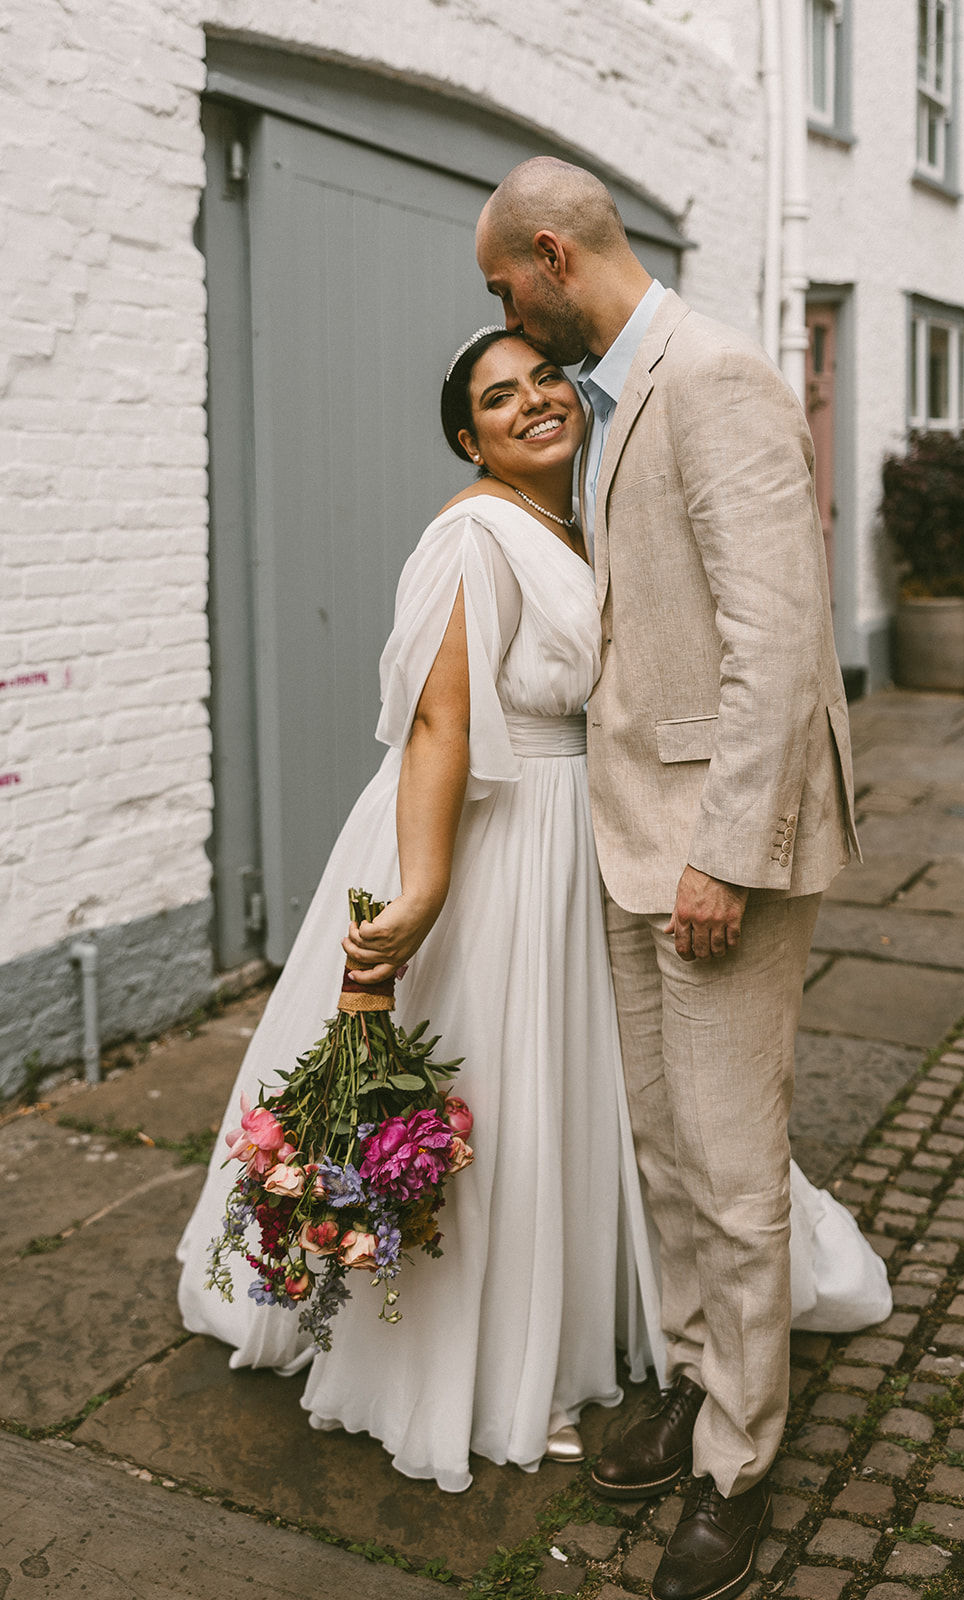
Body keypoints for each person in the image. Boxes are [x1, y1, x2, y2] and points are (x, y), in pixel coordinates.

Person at [177, 328, 887, 1499]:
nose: (531, 403)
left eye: (543, 378)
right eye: (496, 398)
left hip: (595, 836)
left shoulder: (583, 517)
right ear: (468, 437)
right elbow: (440, 727)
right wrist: (423, 891)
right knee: (508, 1088)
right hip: (505, 839)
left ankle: (629, 1305)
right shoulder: (469, 534)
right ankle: (503, 1347)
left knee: (612, 1093)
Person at [474, 159, 863, 1600]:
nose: (502, 310)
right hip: (631, 832)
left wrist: (721, 856)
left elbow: (777, 637)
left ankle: (740, 1458)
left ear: (552, 255)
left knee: (728, 1158)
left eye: (502, 282)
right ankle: (702, 1379)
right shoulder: (617, 394)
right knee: (661, 1148)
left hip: (716, 848)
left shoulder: (715, 379)